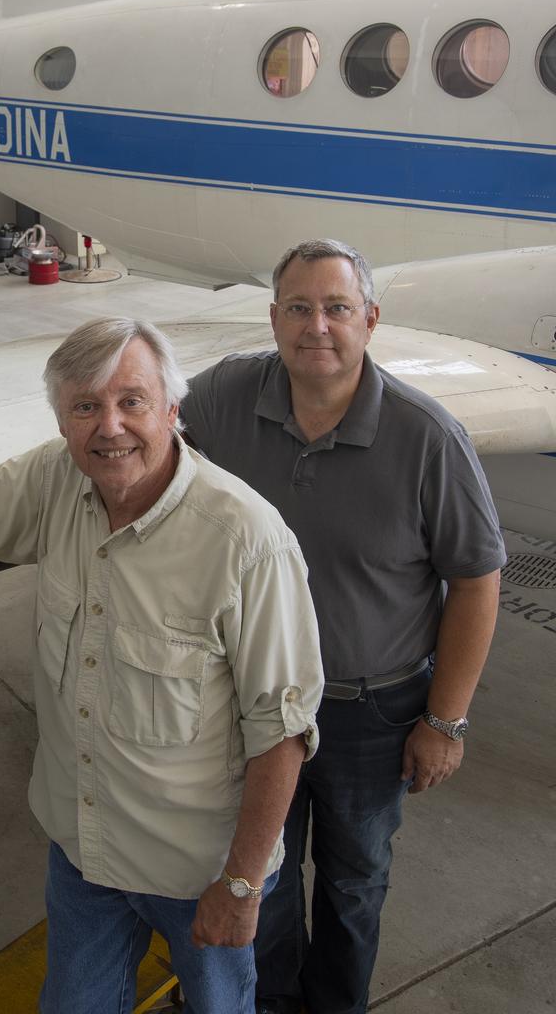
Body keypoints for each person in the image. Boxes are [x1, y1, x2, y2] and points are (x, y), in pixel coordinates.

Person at [0, 316, 324, 1014]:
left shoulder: (247, 542)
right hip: (84, 853)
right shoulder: (54, 478)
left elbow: (281, 729)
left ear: (171, 409)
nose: (110, 427)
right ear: (63, 421)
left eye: (132, 400)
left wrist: (242, 887)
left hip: (197, 872)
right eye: (85, 406)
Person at [180, 239, 505, 1014]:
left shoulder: (428, 438)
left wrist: (445, 720)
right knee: (259, 872)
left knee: (355, 882)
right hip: (256, 703)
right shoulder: (226, 396)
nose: (315, 327)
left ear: (370, 321)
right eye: (298, 308)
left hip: (373, 711)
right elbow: (139, 421)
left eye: (336, 308)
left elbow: (476, 581)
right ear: (273, 318)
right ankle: (272, 999)